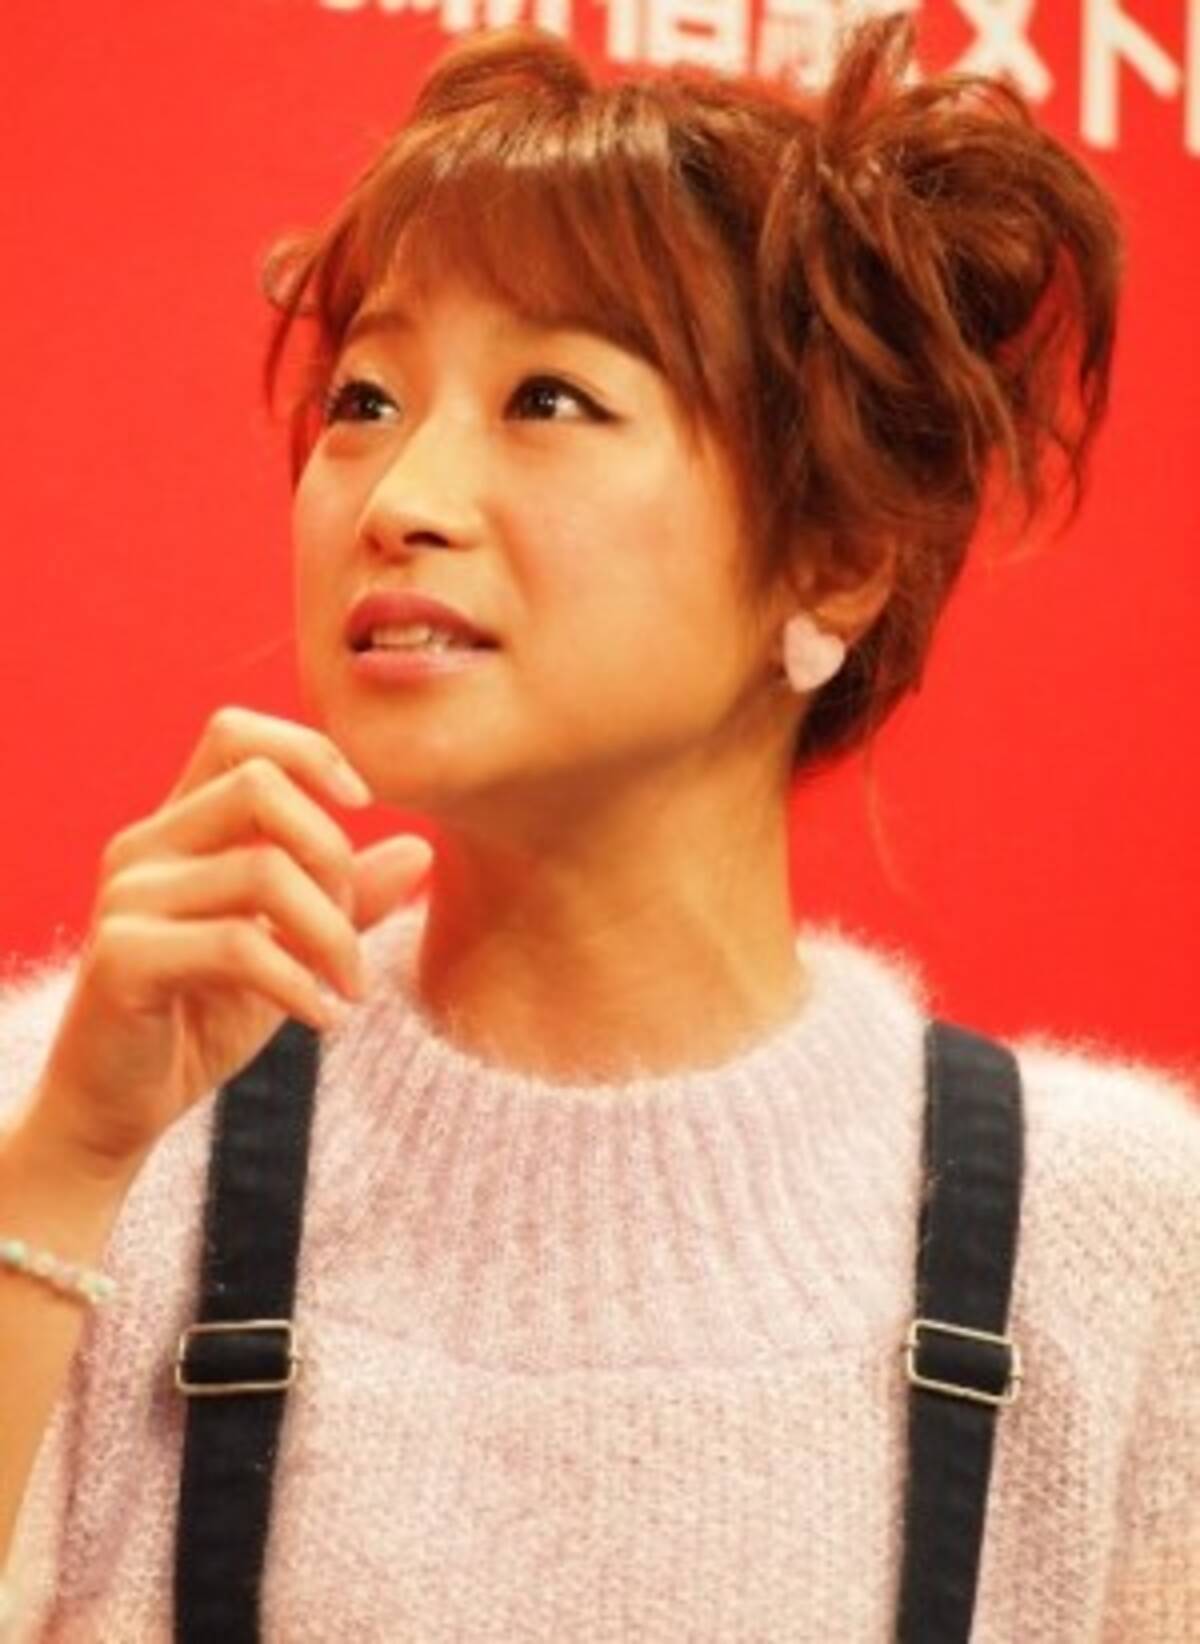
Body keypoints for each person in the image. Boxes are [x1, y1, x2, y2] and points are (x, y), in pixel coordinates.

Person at [0, 12, 1196, 1640]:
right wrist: (65, 1171)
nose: (401, 499)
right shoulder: (77, 1112)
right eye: (365, 398)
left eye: (549, 398)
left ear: (837, 552)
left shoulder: (1115, 1233)